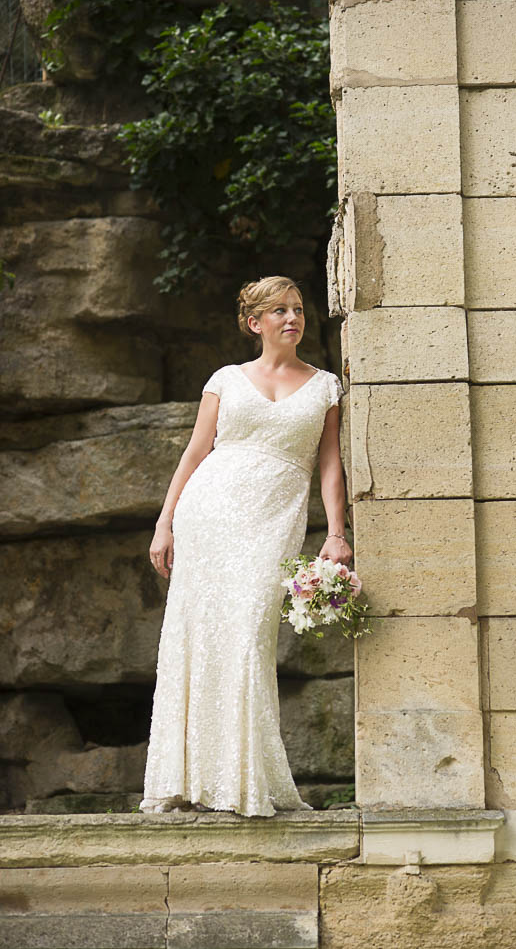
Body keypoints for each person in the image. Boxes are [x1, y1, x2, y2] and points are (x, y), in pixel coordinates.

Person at [139, 275, 353, 816]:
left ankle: (240, 782)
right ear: (255, 323)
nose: (293, 318)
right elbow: (193, 453)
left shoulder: (325, 385)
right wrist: (164, 523)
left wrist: (335, 531)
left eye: (299, 309)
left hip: (270, 521)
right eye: (279, 310)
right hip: (208, 514)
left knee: (247, 639)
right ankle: (182, 781)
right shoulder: (226, 379)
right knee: (195, 638)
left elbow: (330, 463)